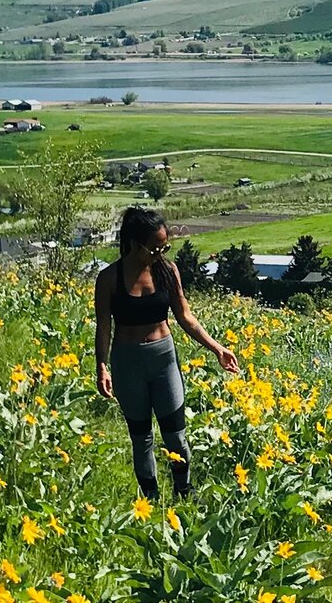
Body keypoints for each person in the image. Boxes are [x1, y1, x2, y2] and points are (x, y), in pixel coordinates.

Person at [95, 206, 239, 500]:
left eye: (165, 246)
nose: (161, 252)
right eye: (155, 247)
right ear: (135, 244)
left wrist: (217, 349)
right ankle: (151, 500)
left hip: (164, 361)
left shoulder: (167, 270)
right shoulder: (109, 279)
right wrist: (102, 366)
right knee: (142, 438)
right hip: (128, 363)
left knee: (176, 435)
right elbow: (104, 328)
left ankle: (184, 493)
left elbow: (185, 317)